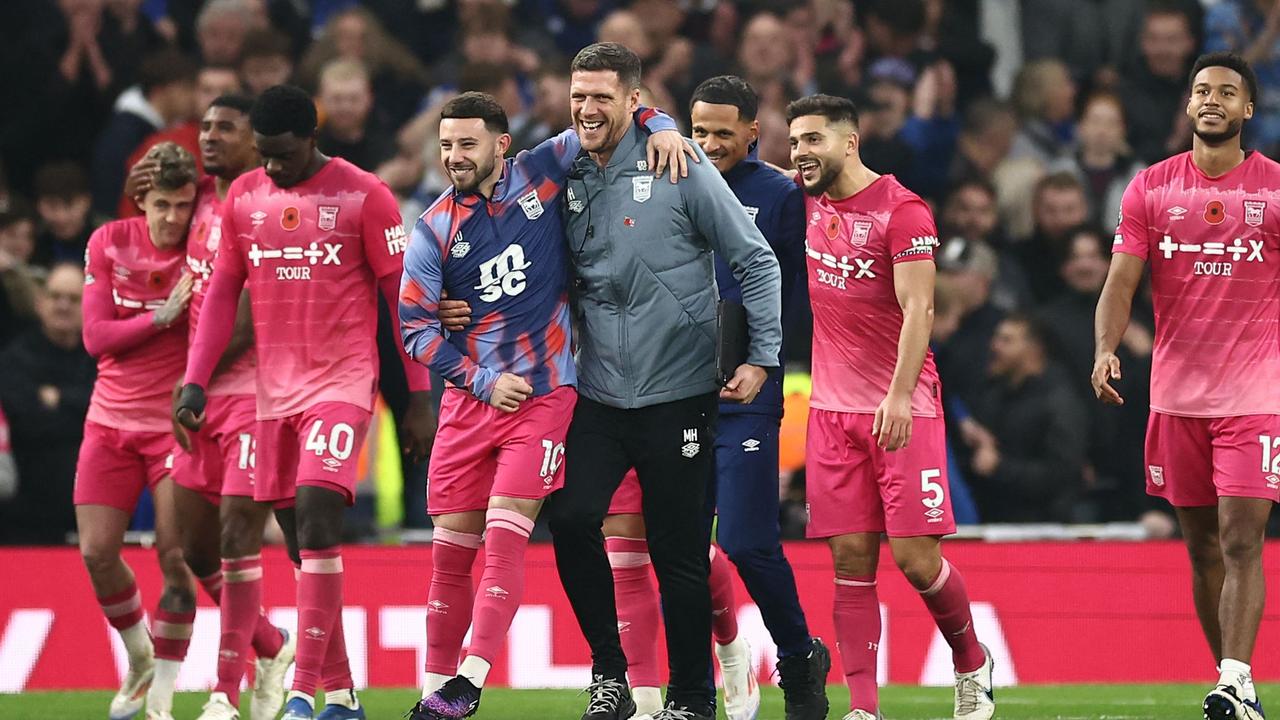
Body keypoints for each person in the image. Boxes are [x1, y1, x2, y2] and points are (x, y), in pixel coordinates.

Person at [398, 91, 687, 720]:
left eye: (467, 144)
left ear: (502, 144)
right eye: (446, 146)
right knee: (449, 561)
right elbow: (415, 331)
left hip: (544, 395)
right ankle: (432, 698)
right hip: (468, 407)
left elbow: (611, 109)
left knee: (509, 536)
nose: (454, 157)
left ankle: (471, 680)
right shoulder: (433, 228)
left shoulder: (542, 170)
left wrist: (661, 125)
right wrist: (478, 380)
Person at [175, 84, 435, 720]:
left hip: (343, 384)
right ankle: (343, 695)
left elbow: (402, 300)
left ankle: (301, 695)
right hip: (274, 394)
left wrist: (418, 396)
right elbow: (221, 297)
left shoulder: (364, 195)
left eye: (283, 154)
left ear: (311, 139)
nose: (272, 166)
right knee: (300, 545)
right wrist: (194, 380)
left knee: (318, 518)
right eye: (263, 154)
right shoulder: (246, 197)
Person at [549, 43, 782, 720]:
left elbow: (757, 260)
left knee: (676, 552)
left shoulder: (678, 162)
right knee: (571, 518)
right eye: (578, 95)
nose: (588, 109)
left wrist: (760, 358)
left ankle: (691, 699)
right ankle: (610, 675)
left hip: (679, 388)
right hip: (598, 388)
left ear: (632, 101)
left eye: (603, 97)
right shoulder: (561, 167)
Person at [601, 75, 830, 720]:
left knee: (748, 539)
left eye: (723, 133)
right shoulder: (666, 178)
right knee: (679, 548)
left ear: (756, 132)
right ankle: (692, 691)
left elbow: (799, 289)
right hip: (677, 390)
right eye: (699, 130)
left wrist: (765, 359)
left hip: (749, 389)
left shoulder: (781, 196)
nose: (709, 143)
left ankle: (797, 657)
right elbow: (624, 109)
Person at [786, 93, 995, 720]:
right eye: (795, 142)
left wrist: (900, 395)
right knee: (849, 562)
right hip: (830, 412)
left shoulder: (901, 211)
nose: (801, 153)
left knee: (914, 558)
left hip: (904, 408)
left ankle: (971, 661)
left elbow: (920, 310)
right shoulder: (802, 200)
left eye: (813, 140)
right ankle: (864, 708)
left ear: (850, 142)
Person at [1094, 52, 1280, 720]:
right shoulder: (1151, 188)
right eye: (1202, 91)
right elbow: (1120, 281)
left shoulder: (1275, 189)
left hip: (1256, 397)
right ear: (1188, 105)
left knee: (1239, 539)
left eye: (1227, 92)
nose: (1211, 100)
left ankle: (1234, 679)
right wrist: (1106, 348)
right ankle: (1234, 682)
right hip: (1175, 398)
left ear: (1247, 111)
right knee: (1201, 548)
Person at [147, 95, 294, 720]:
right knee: (193, 551)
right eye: (205, 126)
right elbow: (149, 210)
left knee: (238, 534)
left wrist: (195, 379)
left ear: (254, 140)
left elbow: (251, 316)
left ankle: (223, 696)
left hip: (255, 395)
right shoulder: (200, 201)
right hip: (198, 393)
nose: (209, 136)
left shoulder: (270, 203)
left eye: (225, 128)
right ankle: (272, 644)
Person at [76, 142, 199, 720]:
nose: (173, 218)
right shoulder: (108, 242)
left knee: (177, 561)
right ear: (140, 202)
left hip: (172, 430)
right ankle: (140, 657)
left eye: (182, 204)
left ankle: (161, 698)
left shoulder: (203, 246)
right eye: (161, 206)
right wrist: (159, 318)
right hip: (108, 424)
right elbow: (96, 338)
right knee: (99, 553)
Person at [0, 263, 96, 545]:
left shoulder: (102, 359)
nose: (63, 306)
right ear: (40, 303)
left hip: (90, 512)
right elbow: (28, 424)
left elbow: (114, 414)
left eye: (73, 299)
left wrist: (59, 398)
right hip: (24, 517)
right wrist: (81, 407)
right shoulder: (14, 359)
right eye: (55, 297)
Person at [967, 314, 1088, 521]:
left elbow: (1062, 473)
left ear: (1035, 348)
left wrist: (1000, 467)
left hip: (1046, 528)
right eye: (996, 338)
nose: (995, 346)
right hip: (995, 520)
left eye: (1007, 340)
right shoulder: (994, 395)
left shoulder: (1059, 401)